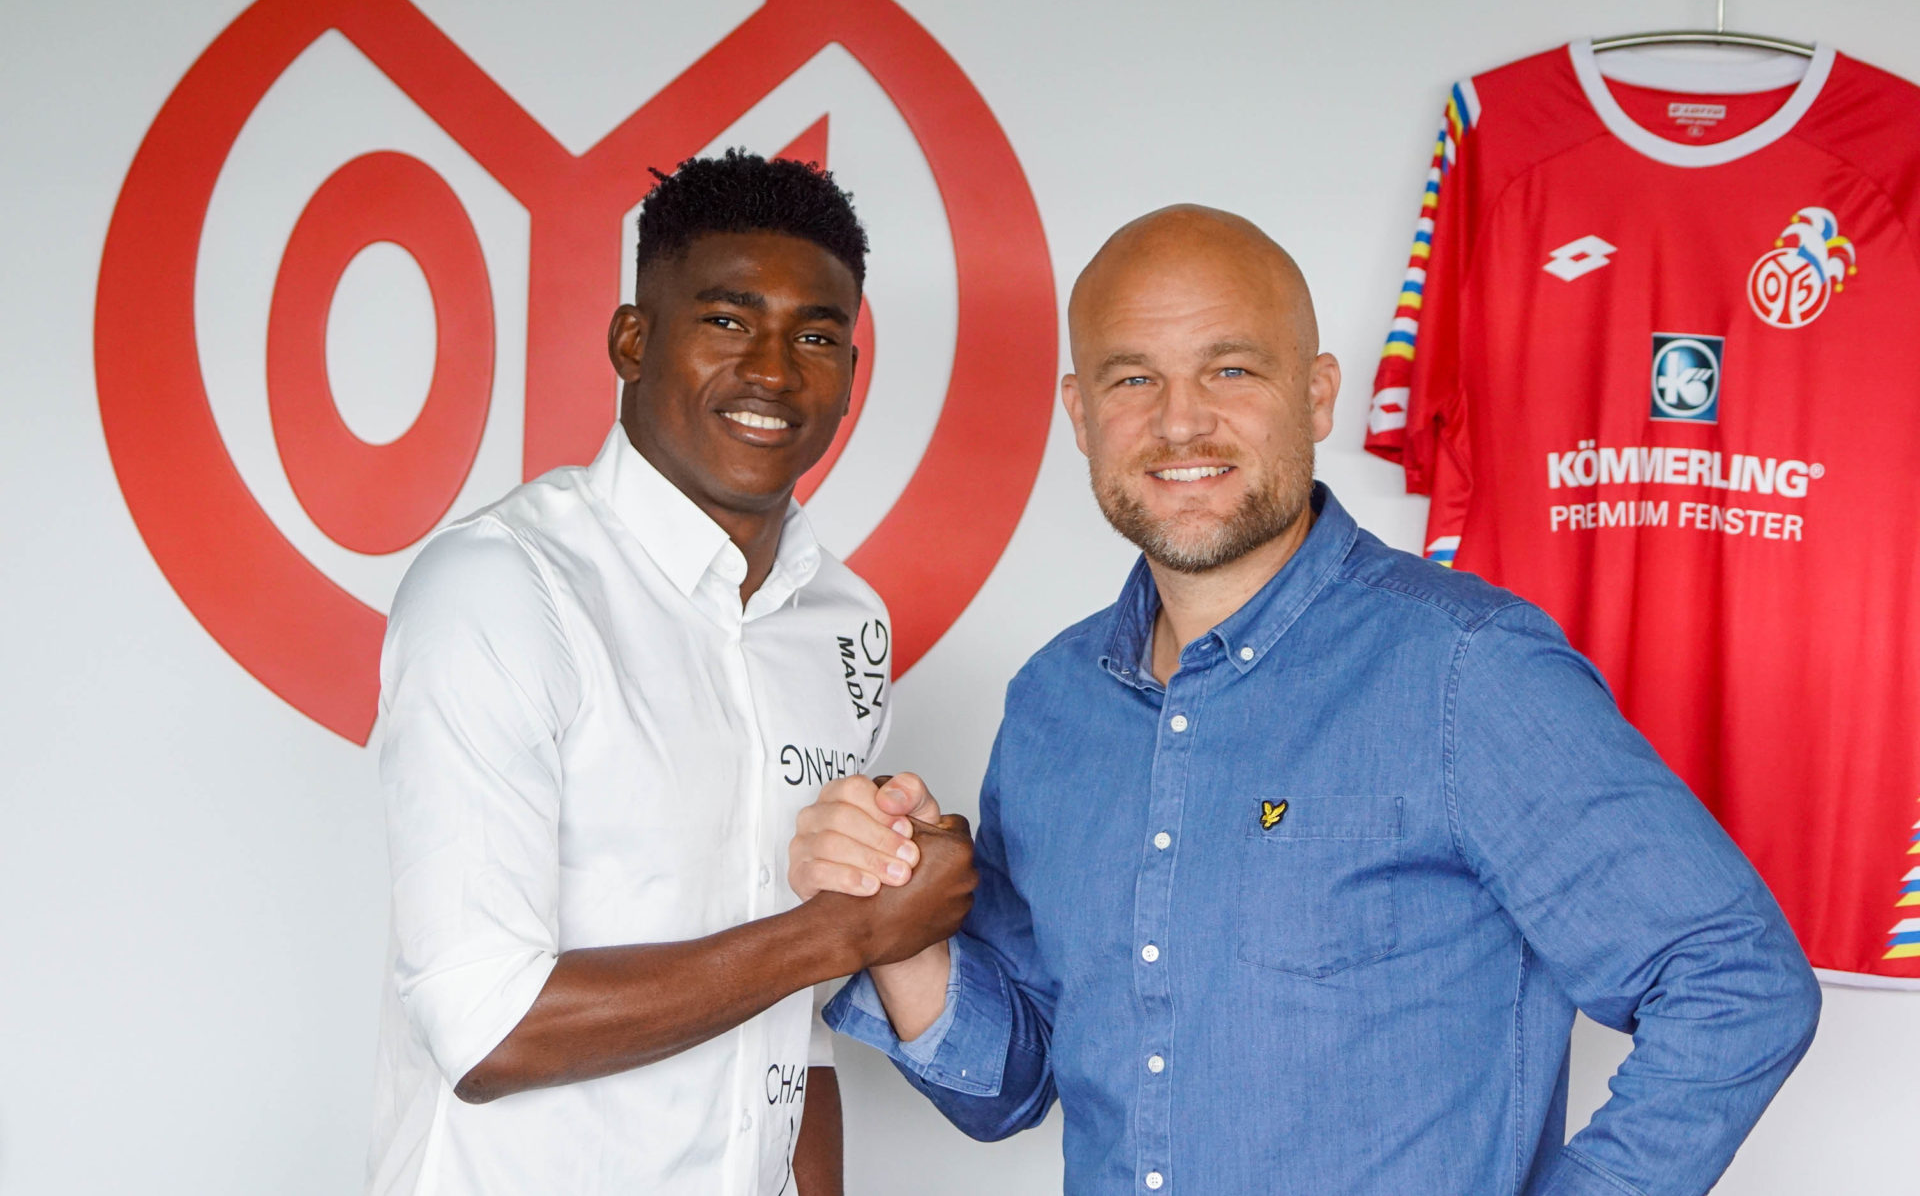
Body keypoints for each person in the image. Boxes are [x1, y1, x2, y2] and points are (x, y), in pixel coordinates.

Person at [789, 205, 1821, 1195]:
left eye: (1231, 369)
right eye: (1133, 376)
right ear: (1080, 414)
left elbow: (1736, 982)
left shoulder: (1467, 669)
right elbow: (1010, 1086)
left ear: (1318, 394)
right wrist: (901, 925)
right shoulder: (1055, 704)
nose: (1181, 420)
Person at [367, 150, 975, 1196]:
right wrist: (849, 928)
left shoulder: (846, 622)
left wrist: (854, 920)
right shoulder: (503, 586)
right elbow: (487, 1025)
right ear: (633, 340)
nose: (773, 370)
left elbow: (796, 1032)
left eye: (815, 335)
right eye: (728, 319)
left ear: (849, 374)